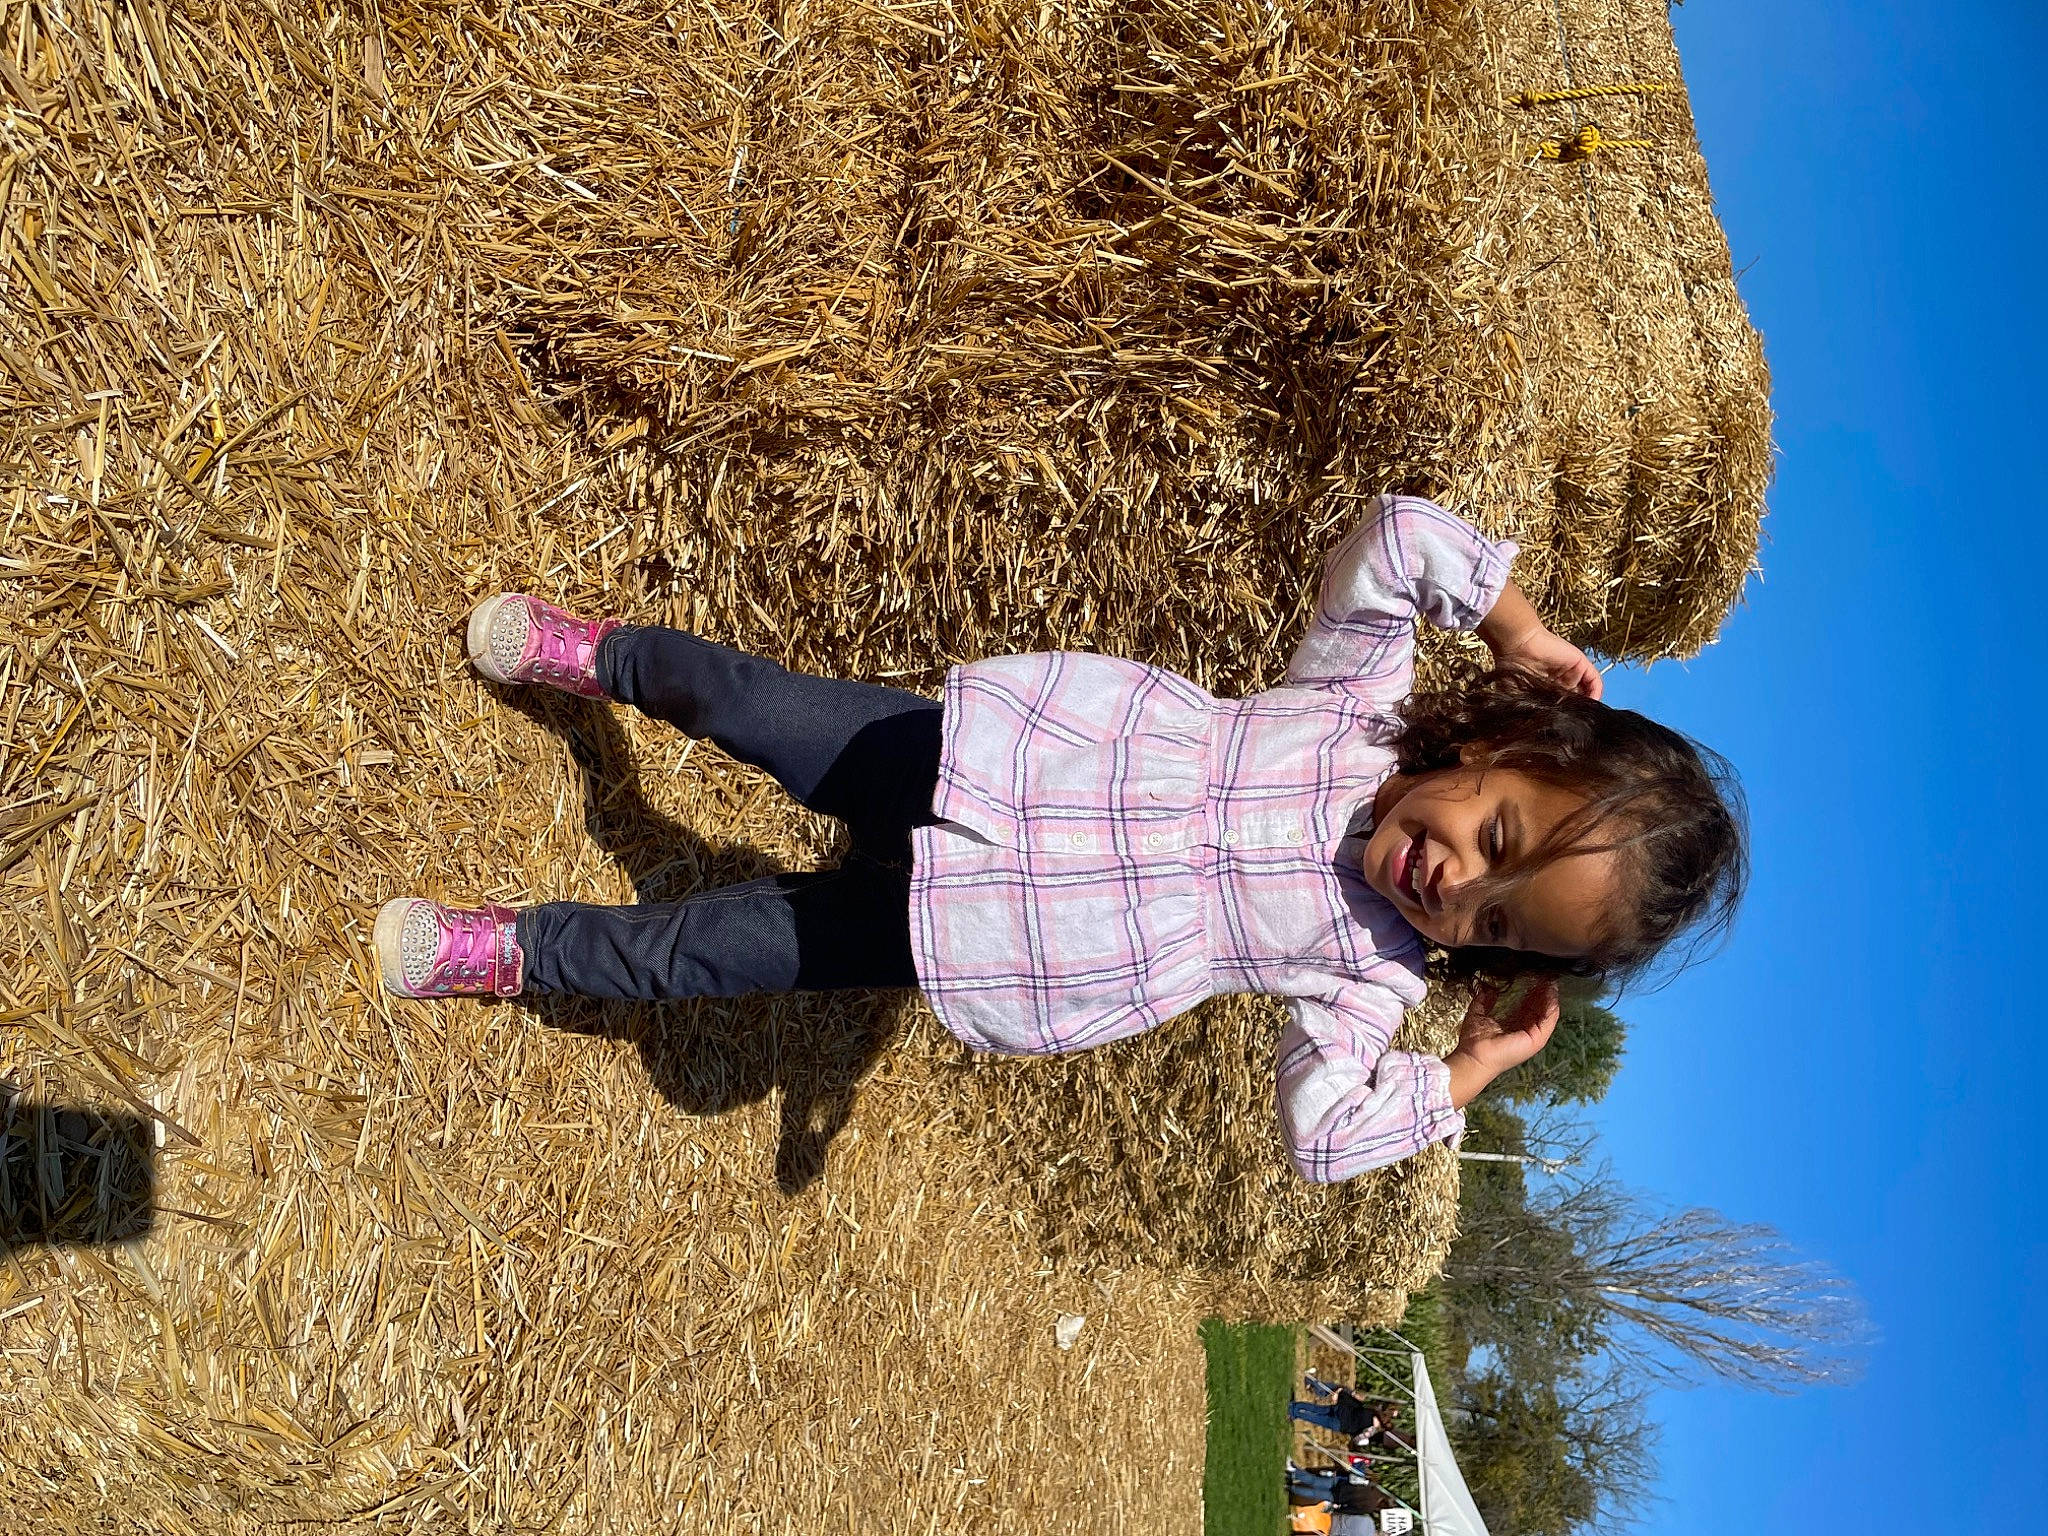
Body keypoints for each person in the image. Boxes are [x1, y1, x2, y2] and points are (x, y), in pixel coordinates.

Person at [373, 495, 1746, 1183]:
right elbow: (1393, 539)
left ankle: (512, 951)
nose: (1455, 880)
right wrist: (1514, 624)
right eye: (1497, 832)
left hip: (985, 935)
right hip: (980, 760)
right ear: (1502, 745)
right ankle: (602, 660)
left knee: (707, 954)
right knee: (741, 700)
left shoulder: (1372, 976)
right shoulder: (1360, 708)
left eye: (1494, 921)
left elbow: (1324, 1136)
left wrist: (1469, 1072)